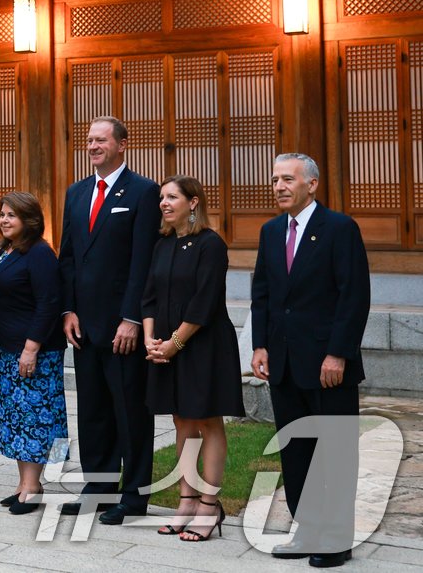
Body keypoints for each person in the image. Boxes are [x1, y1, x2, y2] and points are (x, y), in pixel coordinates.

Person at [251, 153, 370, 568]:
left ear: (312, 184)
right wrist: (260, 345)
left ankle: (337, 539)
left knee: (334, 453)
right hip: (283, 362)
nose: (279, 186)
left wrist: (339, 352)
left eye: (288, 179)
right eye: (275, 179)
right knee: (296, 451)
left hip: (327, 365)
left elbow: (353, 296)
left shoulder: (339, 229)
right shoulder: (269, 232)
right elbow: (262, 294)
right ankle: (308, 530)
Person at [58, 116, 160, 524]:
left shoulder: (143, 192)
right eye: (89, 140)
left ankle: (134, 497)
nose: (93, 146)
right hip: (84, 326)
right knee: (94, 412)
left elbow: (143, 261)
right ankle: (97, 489)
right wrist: (67, 310)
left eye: (101, 140)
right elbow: (68, 256)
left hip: (123, 327)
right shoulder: (77, 192)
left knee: (130, 413)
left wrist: (132, 318)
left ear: (122, 145)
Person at [141, 175, 243, 541]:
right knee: (182, 420)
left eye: (172, 197)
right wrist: (151, 338)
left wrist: (175, 343)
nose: (164, 204)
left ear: (194, 202)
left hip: (203, 344)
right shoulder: (162, 244)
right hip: (166, 345)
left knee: (208, 420)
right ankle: (185, 501)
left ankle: (209, 504)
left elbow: (204, 301)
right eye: (162, 198)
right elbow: (148, 296)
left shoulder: (210, 245)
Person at [0, 191, 68, 514]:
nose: (4, 220)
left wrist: (31, 348)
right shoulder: (6, 250)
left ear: (29, 221)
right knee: (15, 418)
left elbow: (49, 303)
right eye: (2, 214)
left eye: (11, 216)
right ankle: (24, 484)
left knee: (34, 418)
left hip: (33, 350)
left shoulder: (40, 254)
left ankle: (33, 487)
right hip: (6, 347)